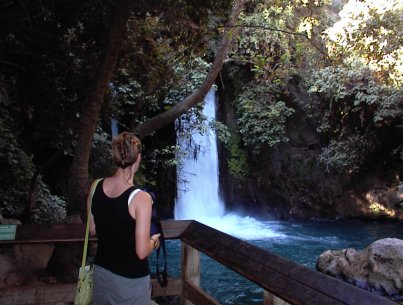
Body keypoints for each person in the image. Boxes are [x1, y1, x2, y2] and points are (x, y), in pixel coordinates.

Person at [88, 131, 161, 305]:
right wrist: (154, 241)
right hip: (131, 281)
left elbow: (92, 229)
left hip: (102, 273)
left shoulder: (95, 186)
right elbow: (142, 251)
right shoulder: (141, 198)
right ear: (138, 158)